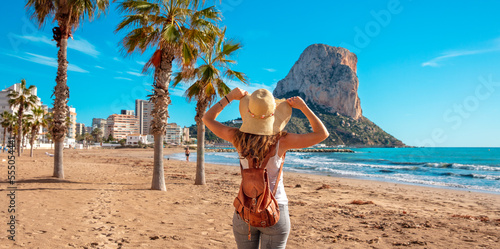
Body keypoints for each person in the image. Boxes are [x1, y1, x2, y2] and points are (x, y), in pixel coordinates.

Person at [203, 88, 329, 248]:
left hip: (245, 209)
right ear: (273, 114)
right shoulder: (281, 141)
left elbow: (207, 118)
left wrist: (230, 97)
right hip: (275, 210)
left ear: (249, 112)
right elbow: (321, 134)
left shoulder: (237, 138)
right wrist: (303, 107)